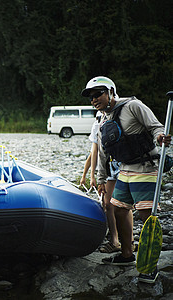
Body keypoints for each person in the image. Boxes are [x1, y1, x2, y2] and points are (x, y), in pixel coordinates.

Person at [81, 76, 171, 284]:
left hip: (146, 167)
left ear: (111, 92)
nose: (94, 99)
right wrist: (101, 178)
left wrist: (160, 136)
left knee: (146, 214)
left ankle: (150, 266)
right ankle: (127, 254)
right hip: (124, 170)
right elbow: (103, 152)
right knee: (119, 209)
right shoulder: (103, 119)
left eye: (98, 94)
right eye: (91, 97)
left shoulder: (133, 106)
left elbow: (155, 127)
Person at [80, 111, 123, 253]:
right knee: (108, 204)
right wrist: (90, 175)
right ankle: (117, 239)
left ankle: (119, 240)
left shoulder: (118, 119)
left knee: (115, 204)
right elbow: (94, 152)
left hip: (120, 167)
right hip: (108, 169)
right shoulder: (97, 125)